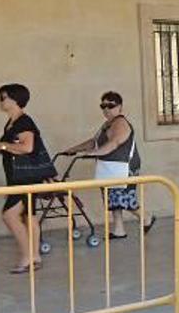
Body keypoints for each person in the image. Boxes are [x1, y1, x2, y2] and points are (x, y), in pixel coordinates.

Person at [61, 91, 154, 239]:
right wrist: (73, 150)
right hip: (109, 166)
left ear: (120, 107)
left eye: (110, 105)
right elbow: (94, 141)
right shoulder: (106, 124)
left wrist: (94, 153)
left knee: (124, 197)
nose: (106, 109)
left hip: (124, 166)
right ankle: (119, 229)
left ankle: (146, 217)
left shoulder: (121, 123)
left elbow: (115, 142)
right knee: (111, 198)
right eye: (103, 106)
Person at [0, 83, 56, 273]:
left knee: (9, 215)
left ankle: (27, 256)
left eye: (3, 98)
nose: (0, 101)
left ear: (15, 100)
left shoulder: (24, 122)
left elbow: (27, 147)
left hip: (24, 179)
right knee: (30, 216)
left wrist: (2, 145)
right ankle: (34, 256)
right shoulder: (13, 122)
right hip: (20, 177)